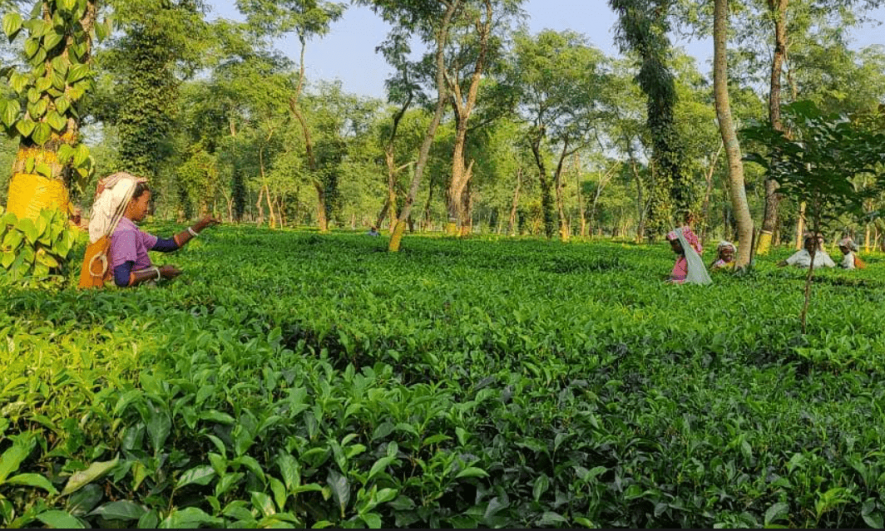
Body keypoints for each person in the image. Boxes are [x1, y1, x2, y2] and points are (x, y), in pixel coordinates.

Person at [86, 172, 220, 288]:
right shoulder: (126, 233)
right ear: (132, 203)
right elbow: (122, 280)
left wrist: (201, 224)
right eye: (146, 202)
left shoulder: (125, 227)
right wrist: (159, 272)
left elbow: (169, 245)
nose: (148, 208)